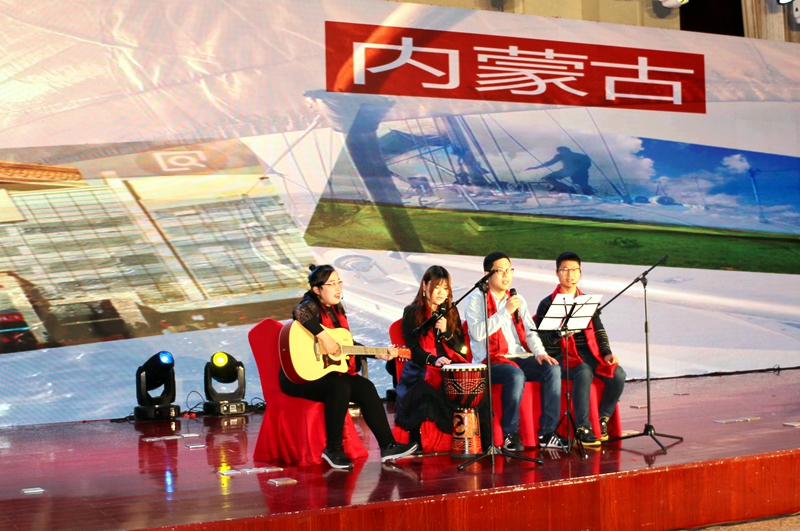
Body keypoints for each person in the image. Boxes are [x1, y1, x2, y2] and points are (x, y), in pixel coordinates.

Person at [279, 264, 418, 469]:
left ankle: (388, 445)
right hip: (298, 377)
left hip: (325, 373)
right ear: (317, 290)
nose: (338, 288)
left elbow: (344, 344)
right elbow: (300, 312)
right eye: (331, 284)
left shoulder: (337, 310)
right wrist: (324, 338)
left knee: (365, 387)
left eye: (339, 282)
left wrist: (375, 353)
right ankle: (333, 449)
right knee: (339, 385)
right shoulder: (311, 304)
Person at [464, 252, 564, 451]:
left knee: (552, 368)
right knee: (515, 374)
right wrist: (505, 312)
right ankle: (510, 433)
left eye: (509, 270)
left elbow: (530, 332)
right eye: (500, 270)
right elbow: (477, 333)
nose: (506, 275)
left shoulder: (517, 299)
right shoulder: (476, 299)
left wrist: (540, 353)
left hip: (519, 356)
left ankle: (547, 432)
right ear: (487, 275)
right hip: (490, 361)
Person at [534, 252, 627, 445]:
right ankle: (582, 427)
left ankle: (602, 418)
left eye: (574, 270)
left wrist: (607, 353)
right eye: (565, 270)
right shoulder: (547, 303)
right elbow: (541, 339)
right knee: (583, 371)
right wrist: (559, 334)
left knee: (618, 374)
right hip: (560, 354)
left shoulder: (587, 301)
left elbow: (599, 330)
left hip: (589, 353)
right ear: (557, 273)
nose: (570, 274)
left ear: (580, 272)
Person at [395, 265, 491, 452]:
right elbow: (413, 348)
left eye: (445, 288)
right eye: (437, 287)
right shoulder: (412, 311)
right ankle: (416, 442)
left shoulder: (451, 311)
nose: (441, 293)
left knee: (475, 386)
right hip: (422, 366)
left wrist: (447, 332)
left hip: (450, 364)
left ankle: (486, 443)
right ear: (425, 286)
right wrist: (433, 360)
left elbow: (461, 349)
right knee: (424, 387)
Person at [526, 146, 594, 195]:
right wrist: (536, 167)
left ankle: (569, 190)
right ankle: (567, 189)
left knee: (583, 186)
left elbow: (587, 164)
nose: (560, 152)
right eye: (559, 151)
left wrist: (578, 171)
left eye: (560, 151)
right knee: (548, 178)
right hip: (570, 171)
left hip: (577, 172)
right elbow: (550, 162)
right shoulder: (562, 156)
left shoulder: (579, 156)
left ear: (567, 150)